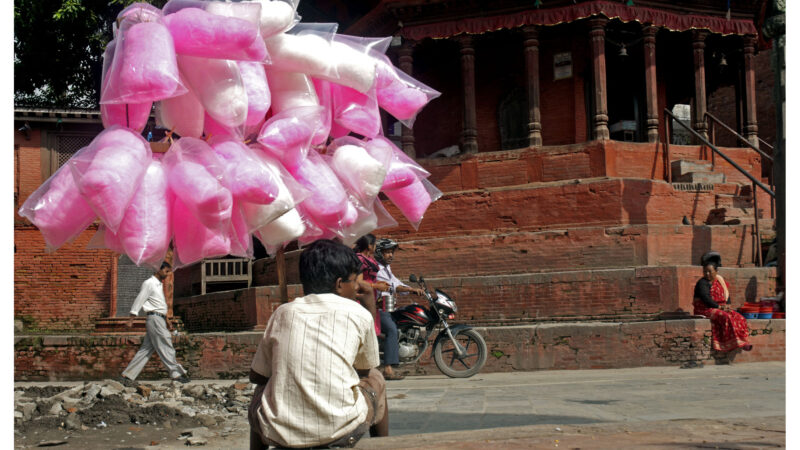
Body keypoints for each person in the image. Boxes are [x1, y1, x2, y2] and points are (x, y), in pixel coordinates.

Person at [248, 239, 389, 449]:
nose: (358, 286)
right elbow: (364, 368)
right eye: (355, 281)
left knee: (261, 390)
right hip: (343, 428)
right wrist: (370, 309)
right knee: (376, 377)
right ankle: (384, 445)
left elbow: (256, 376)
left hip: (279, 433)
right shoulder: (359, 313)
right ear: (340, 284)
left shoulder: (283, 312)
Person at [119, 262, 190, 386]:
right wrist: (131, 319)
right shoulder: (149, 283)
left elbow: (159, 306)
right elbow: (139, 300)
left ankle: (127, 375)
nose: (167, 274)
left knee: (146, 349)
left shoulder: (158, 285)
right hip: (155, 319)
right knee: (166, 344)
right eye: (166, 271)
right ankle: (176, 374)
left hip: (159, 319)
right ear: (158, 269)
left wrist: (167, 320)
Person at [353, 234, 404, 380]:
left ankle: (371, 368)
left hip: (373, 300)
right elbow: (358, 283)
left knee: (373, 334)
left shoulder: (371, 260)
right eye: (375, 244)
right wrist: (377, 285)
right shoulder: (359, 259)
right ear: (370, 246)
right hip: (362, 300)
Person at [374, 239, 425, 375]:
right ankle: (388, 368)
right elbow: (393, 286)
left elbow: (396, 282)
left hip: (389, 306)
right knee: (392, 331)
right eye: (387, 252)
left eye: (391, 252)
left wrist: (411, 289)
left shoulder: (387, 268)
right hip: (379, 308)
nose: (390, 255)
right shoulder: (378, 269)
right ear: (379, 253)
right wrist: (411, 290)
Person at [693, 261, 753, 357]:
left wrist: (727, 305)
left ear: (716, 271)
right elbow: (706, 299)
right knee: (726, 317)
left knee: (739, 317)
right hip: (705, 308)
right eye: (705, 272)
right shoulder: (702, 283)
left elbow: (726, 295)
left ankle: (744, 341)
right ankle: (732, 342)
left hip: (721, 307)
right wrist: (719, 307)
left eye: (710, 271)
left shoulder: (720, 281)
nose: (707, 274)